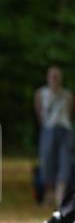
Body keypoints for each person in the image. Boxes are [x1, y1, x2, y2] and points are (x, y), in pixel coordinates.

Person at [34, 66, 74, 207]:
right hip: (48, 129)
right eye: (52, 76)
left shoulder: (67, 95)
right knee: (47, 161)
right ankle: (48, 195)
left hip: (64, 130)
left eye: (57, 76)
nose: (55, 79)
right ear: (48, 77)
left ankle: (60, 197)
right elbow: (39, 112)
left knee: (65, 162)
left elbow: (69, 114)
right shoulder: (41, 93)